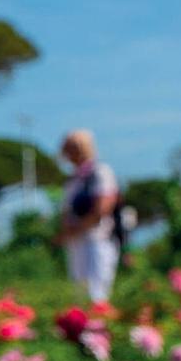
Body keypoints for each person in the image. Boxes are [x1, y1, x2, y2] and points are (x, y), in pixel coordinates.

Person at [57, 130, 120, 304]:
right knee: (80, 294)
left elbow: (102, 208)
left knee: (97, 293)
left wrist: (76, 229)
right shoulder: (73, 179)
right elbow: (66, 211)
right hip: (76, 242)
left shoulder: (100, 173)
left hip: (97, 240)